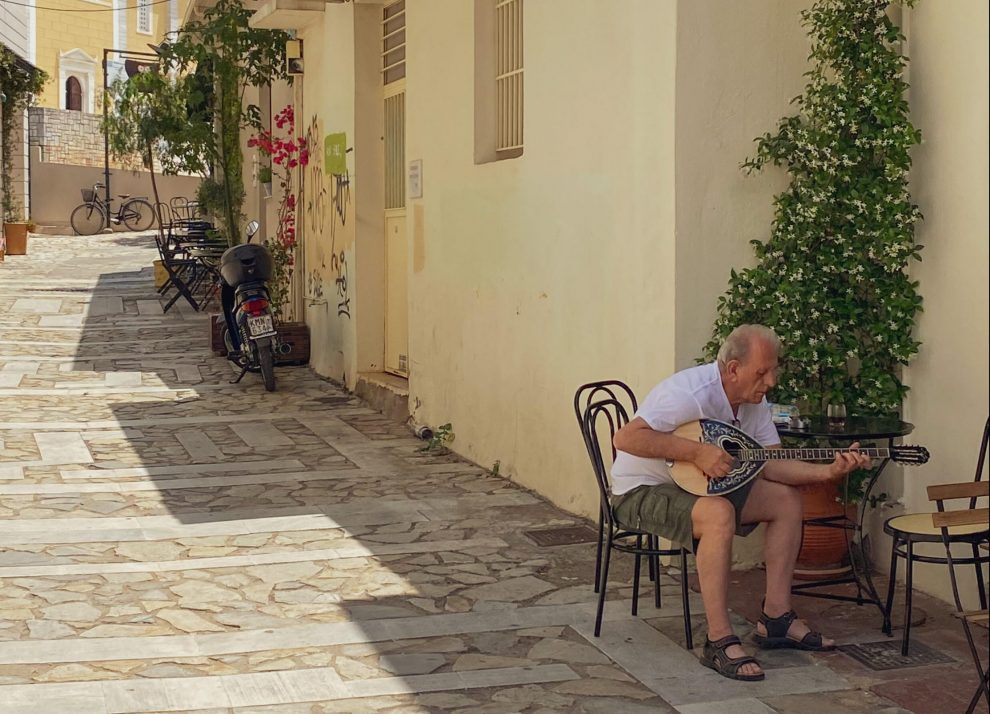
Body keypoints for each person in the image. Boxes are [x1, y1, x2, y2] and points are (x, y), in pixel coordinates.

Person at [611, 324, 871, 682]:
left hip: (698, 487)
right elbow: (625, 438)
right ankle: (718, 640)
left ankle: (776, 618)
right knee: (718, 513)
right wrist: (698, 452)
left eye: (774, 370)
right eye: (762, 372)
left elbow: (772, 465)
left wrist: (827, 472)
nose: (771, 381)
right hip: (641, 490)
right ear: (733, 369)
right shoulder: (688, 393)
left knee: (784, 500)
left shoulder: (754, 402)